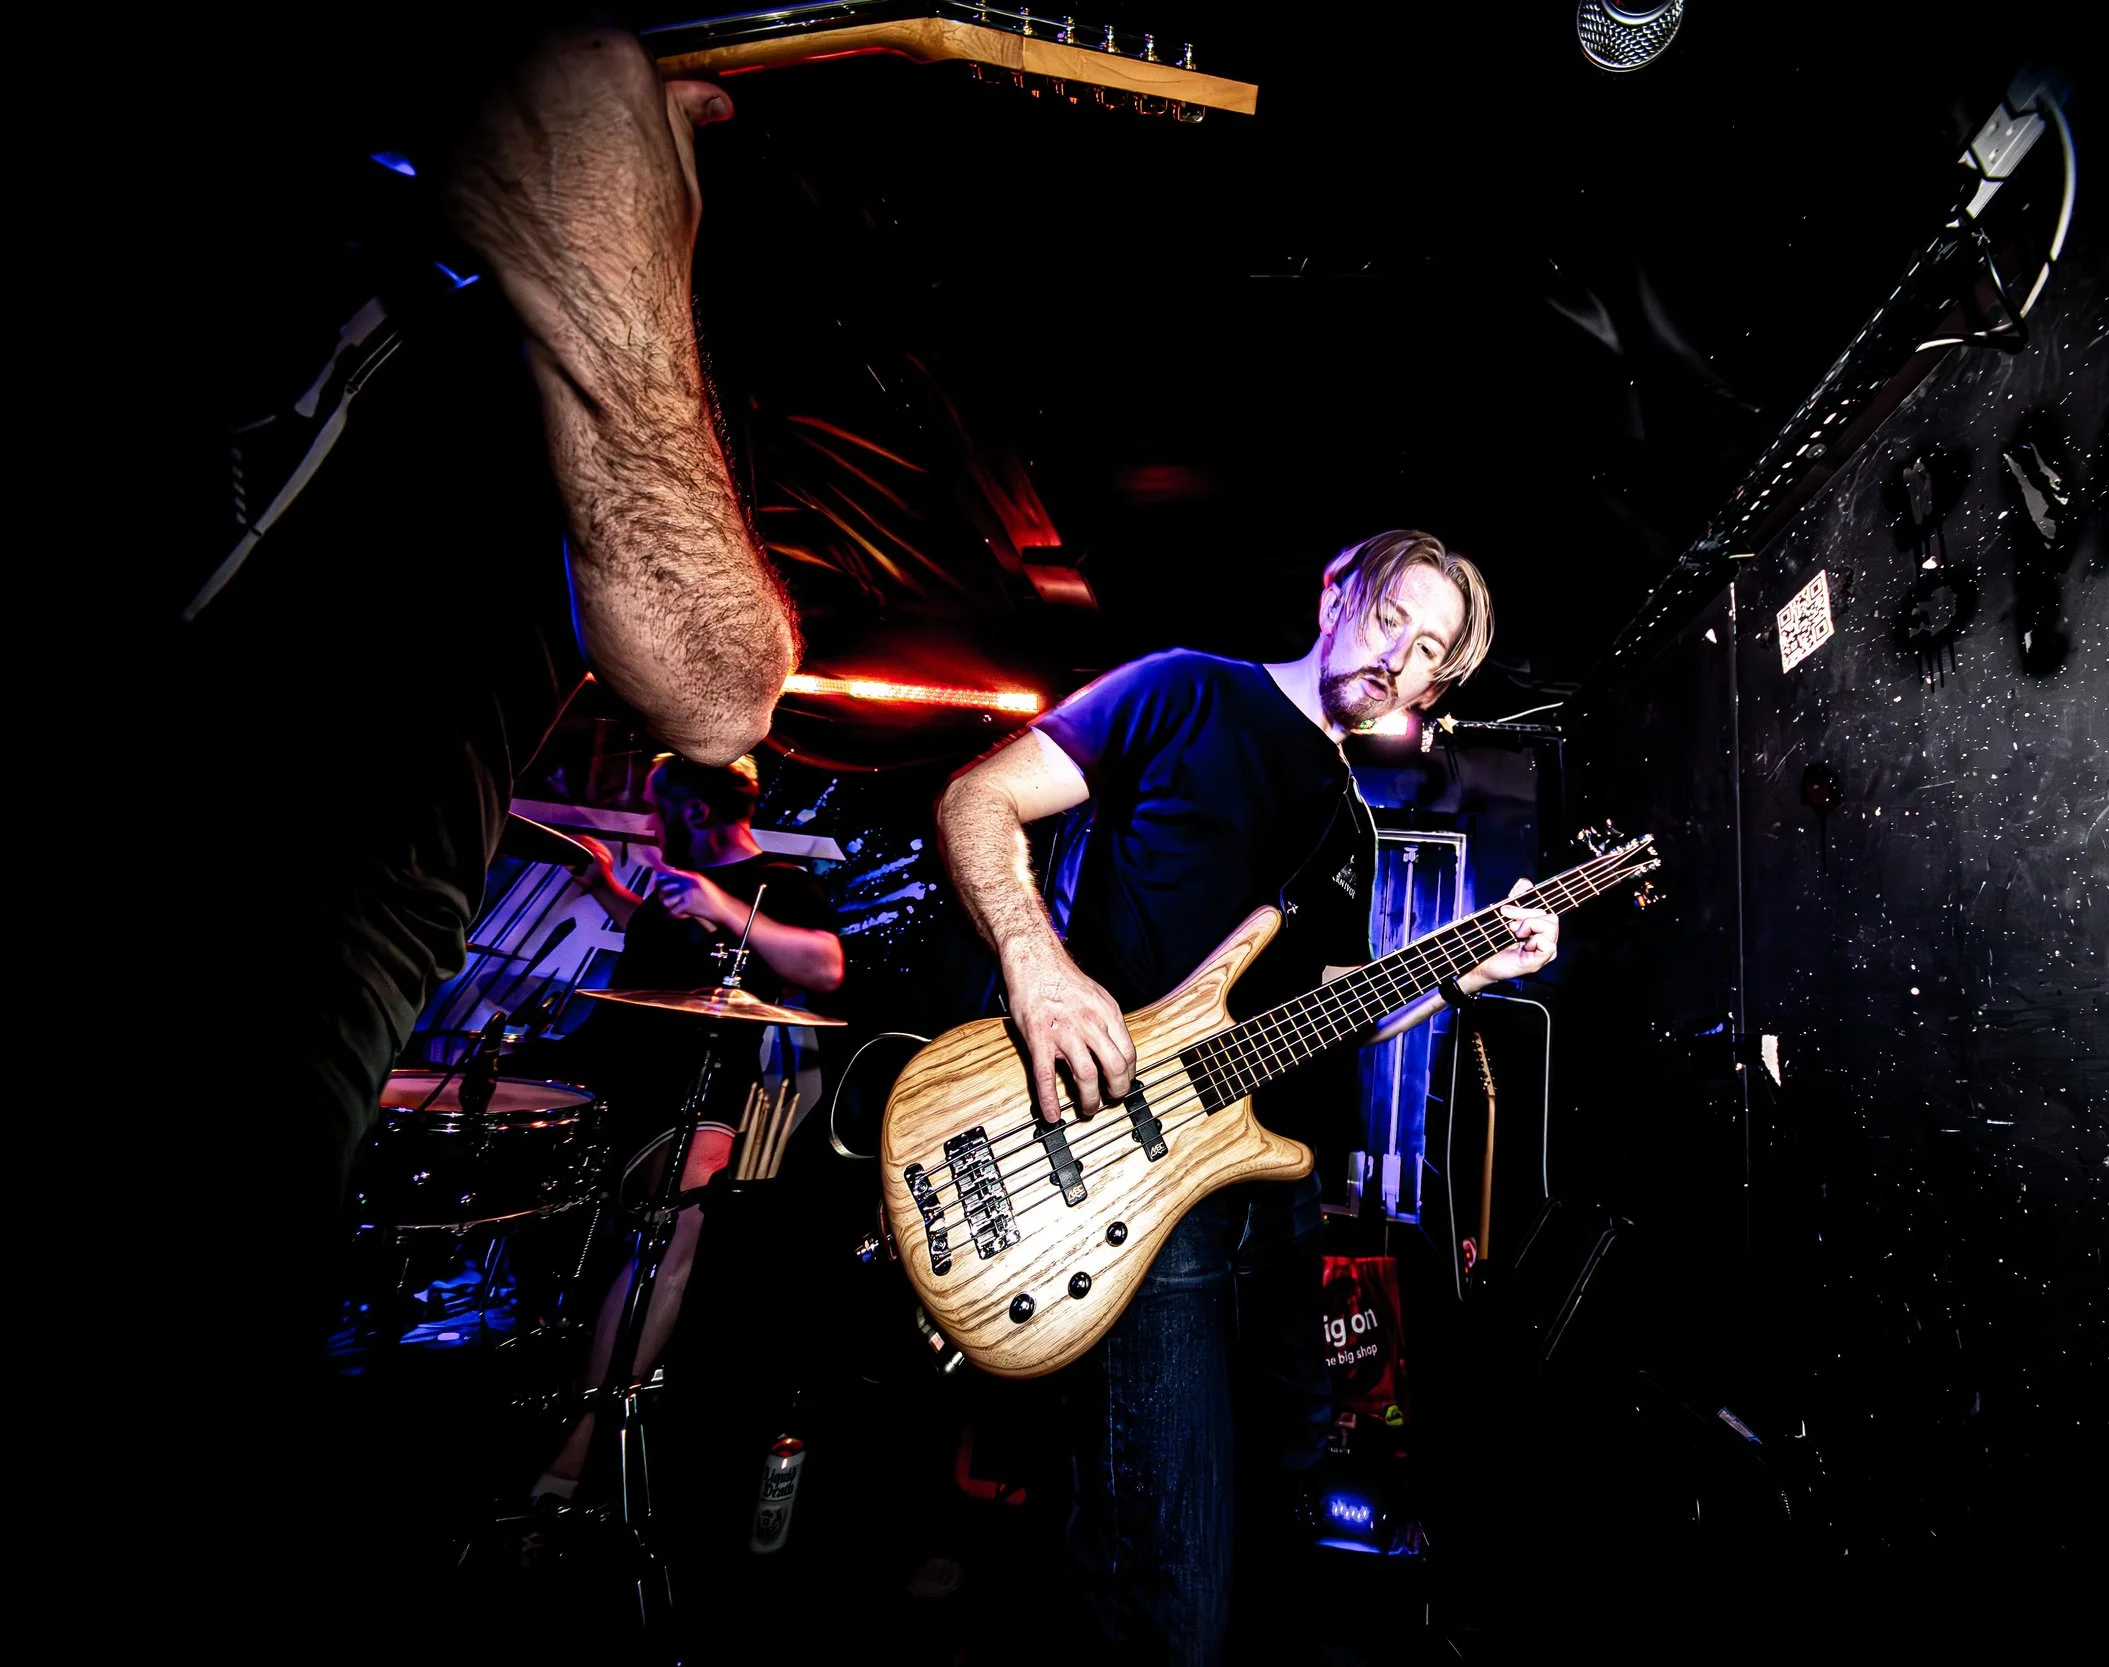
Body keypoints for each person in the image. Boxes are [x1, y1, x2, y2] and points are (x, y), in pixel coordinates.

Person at [131, 24, 798, 1628]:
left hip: (281, 958)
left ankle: (552, 1465)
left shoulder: (595, 350)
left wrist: (609, 260)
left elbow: (722, 688)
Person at [933, 529, 1562, 1662]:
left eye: (1429, 652)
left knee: (1285, 1472)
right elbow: (979, 800)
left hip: (1273, 1187)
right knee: (1165, 1550)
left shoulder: (1350, 822)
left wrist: (1467, 969)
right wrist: (1039, 968)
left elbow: (1330, 1006)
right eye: (1390, 618)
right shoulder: (1184, 689)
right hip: (1133, 1165)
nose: (1399, 660)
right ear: (1334, 594)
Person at [525, 752, 844, 1507]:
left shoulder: (778, 885)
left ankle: (578, 1449)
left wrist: (725, 909)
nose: (650, 822)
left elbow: (826, 965)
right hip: (606, 1083)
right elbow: (659, 954)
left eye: (656, 806)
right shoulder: (677, 889)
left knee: (682, 1219)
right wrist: (606, 885)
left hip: (691, 1100)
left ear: (695, 810)